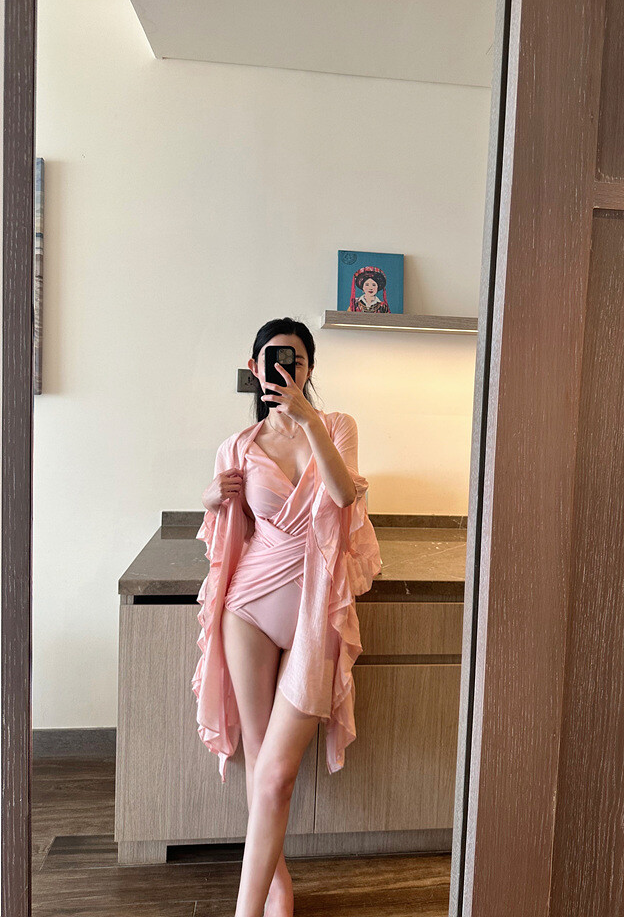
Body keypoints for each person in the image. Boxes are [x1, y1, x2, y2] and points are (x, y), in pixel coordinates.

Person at [192, 316, 381, 917]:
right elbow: (228, 530)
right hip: (247, 608)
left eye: (295, 359)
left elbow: (344, 495)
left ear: (309, 368)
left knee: (277, 774)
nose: (285, 368)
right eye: (274, 359)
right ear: (255, 368)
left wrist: (307, 419)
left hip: (314, 614)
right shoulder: (239, 447)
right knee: (258, 760)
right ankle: (274, 887)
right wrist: (210, 498)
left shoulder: (337, 426)